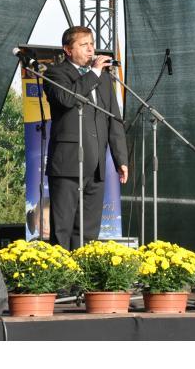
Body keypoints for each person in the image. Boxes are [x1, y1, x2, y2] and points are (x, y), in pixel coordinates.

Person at [43, 26, 128, 250]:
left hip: (96, 163)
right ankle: (61, 271)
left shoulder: (104, 78)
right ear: (68, 50)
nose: (90, 49)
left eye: (92, 44)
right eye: (84, 45)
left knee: (88, 230)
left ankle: (83, 270)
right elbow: (66, 99)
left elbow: (113, 119)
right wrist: (94, 73)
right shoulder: (55, 73)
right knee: (63, 228)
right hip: (68, 162)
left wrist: (121, 159)